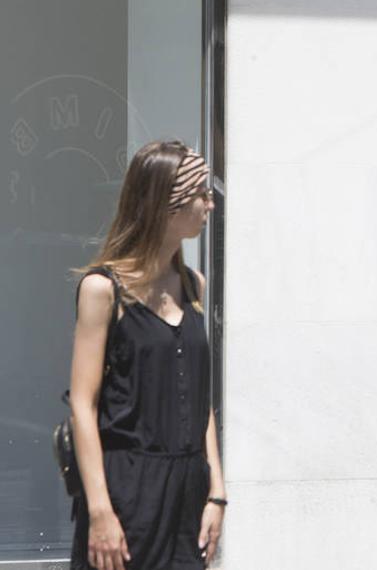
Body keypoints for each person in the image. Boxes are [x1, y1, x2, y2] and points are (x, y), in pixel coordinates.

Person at [68, 141, 224, 570]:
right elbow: (83, 404)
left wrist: (217, 492)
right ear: (166, 203)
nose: (210, 204)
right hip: (126, 488)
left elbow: (200, 402)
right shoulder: (104, 290)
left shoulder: (193, 285)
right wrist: (99, 509)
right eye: (201, 194)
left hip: (188, 490)